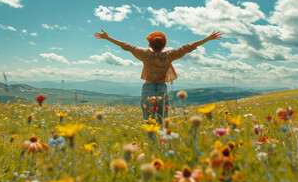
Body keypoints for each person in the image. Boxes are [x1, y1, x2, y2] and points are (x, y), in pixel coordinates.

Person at [94, 29, 222, 124]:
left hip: (148, 87)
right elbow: (188, 47)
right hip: (162, 88)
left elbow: (126, 46)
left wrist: (108, 38)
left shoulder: (145, 54)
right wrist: (208, 38)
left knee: (148, 118)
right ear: (164, 45)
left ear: (150, 44)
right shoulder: (169, 55)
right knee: (162, 117)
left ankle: (151, 143)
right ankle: (162, 144)